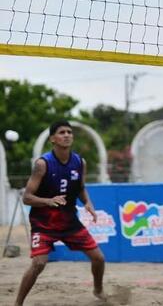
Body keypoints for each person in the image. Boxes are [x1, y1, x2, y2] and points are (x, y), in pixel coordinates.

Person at [14, 121, 105, 306]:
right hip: (44, 223)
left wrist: (87, 202)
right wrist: (48, 201)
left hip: (69, 222)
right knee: (39, 263)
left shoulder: (80, 162)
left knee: (99, 259)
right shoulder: (42, 164)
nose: (67, 135)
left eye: (69, 132)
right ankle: (18, 303)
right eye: (62, 132)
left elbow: (80, 188)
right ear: (52, 139)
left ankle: (98, 289)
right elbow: (27, 198)